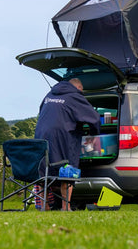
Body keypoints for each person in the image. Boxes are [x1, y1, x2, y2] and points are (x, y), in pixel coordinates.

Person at [34, 78, 100, 211]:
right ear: (79, 88)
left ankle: (45, 206)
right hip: (63, 137)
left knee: (44, 169)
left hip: (41, 136)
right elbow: (95, 118)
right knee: (67, 168)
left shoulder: (49, 95)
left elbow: (41, 111)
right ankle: (66, 207)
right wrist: (94, 133)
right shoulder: (75, 96)